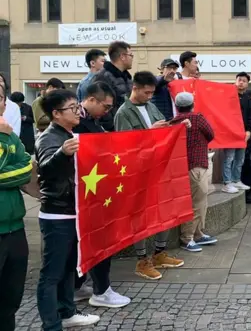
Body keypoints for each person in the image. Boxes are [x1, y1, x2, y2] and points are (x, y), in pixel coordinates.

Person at [35, 89, 101, 329]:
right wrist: (63, 154)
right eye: (72, 108)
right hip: (56, 215)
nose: (78, 112)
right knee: (52, 273)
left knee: (68, 268)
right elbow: (45, 170)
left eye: (77, 107)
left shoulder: (69, 134)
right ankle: (51, 324)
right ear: (56, 114)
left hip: (74, 212)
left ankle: (67, 312)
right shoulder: (49, 138)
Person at [114, 71, 184, 280]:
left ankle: (159, 253)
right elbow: (123, 146)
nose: (150, 96)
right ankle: (142, 260)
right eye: (147, 92)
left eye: (152, 92)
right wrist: (151, 131)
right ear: (134, 88)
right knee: (141, 218)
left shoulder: (151, 106)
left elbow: (161, 130)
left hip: (158, 167)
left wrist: (174, 126)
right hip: (138, 171)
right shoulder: (123, 113)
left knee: (163, 212)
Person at [71, 82, 131, 308]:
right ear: (91, 100)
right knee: (97, 240)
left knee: (86, 242)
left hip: (92, 190)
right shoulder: (77, 124)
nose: (108, 111)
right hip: (86, 192)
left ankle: (79, 285)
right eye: (105, 106)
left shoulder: (93, 122)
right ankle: (101, 290)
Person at [0, 83, 32, 330]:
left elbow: (26, 169)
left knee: (11, 298)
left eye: (0, 98)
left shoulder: (10, 134)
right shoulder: (5, 134)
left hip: (15, 229)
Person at [171, 92, 218, 251]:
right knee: (197, 201)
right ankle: (187, 238)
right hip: (196, 164)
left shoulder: (173, 121)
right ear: (192, 104)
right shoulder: (197, 118)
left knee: (198, 200)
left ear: (177, 106)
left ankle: (198, 233)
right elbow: (211, 134)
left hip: (182, 165)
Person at [222, 72, 251, 195]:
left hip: (243, 132)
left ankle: (236, 180)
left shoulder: (248, 98)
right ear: (235, 81)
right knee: (229, 158)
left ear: (247, 84)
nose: (241, 82)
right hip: (230, 131)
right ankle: (227, 182)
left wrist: (248, 130)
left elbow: (250, 116)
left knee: (240, 158)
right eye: (239, 80)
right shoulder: (229, 95)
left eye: (244, 80)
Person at [94, 41, 134, 131]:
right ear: (122, 56)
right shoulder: (103, 76)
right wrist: (113, 127)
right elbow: (101, 107)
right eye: (131, 55)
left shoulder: (127, 77)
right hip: (115, 130)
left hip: (128, 126)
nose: (132, 58)